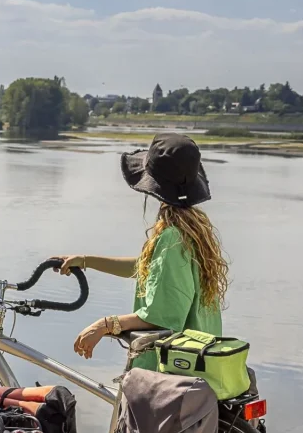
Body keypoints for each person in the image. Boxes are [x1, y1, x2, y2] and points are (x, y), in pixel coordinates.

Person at [57, 133, 228, 370]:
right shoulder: (194, 231)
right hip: (200, 370)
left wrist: (104, 325)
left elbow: (161, 317)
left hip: (167, 377)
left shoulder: (173, 238)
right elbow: (150, 269)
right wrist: (86, 261)